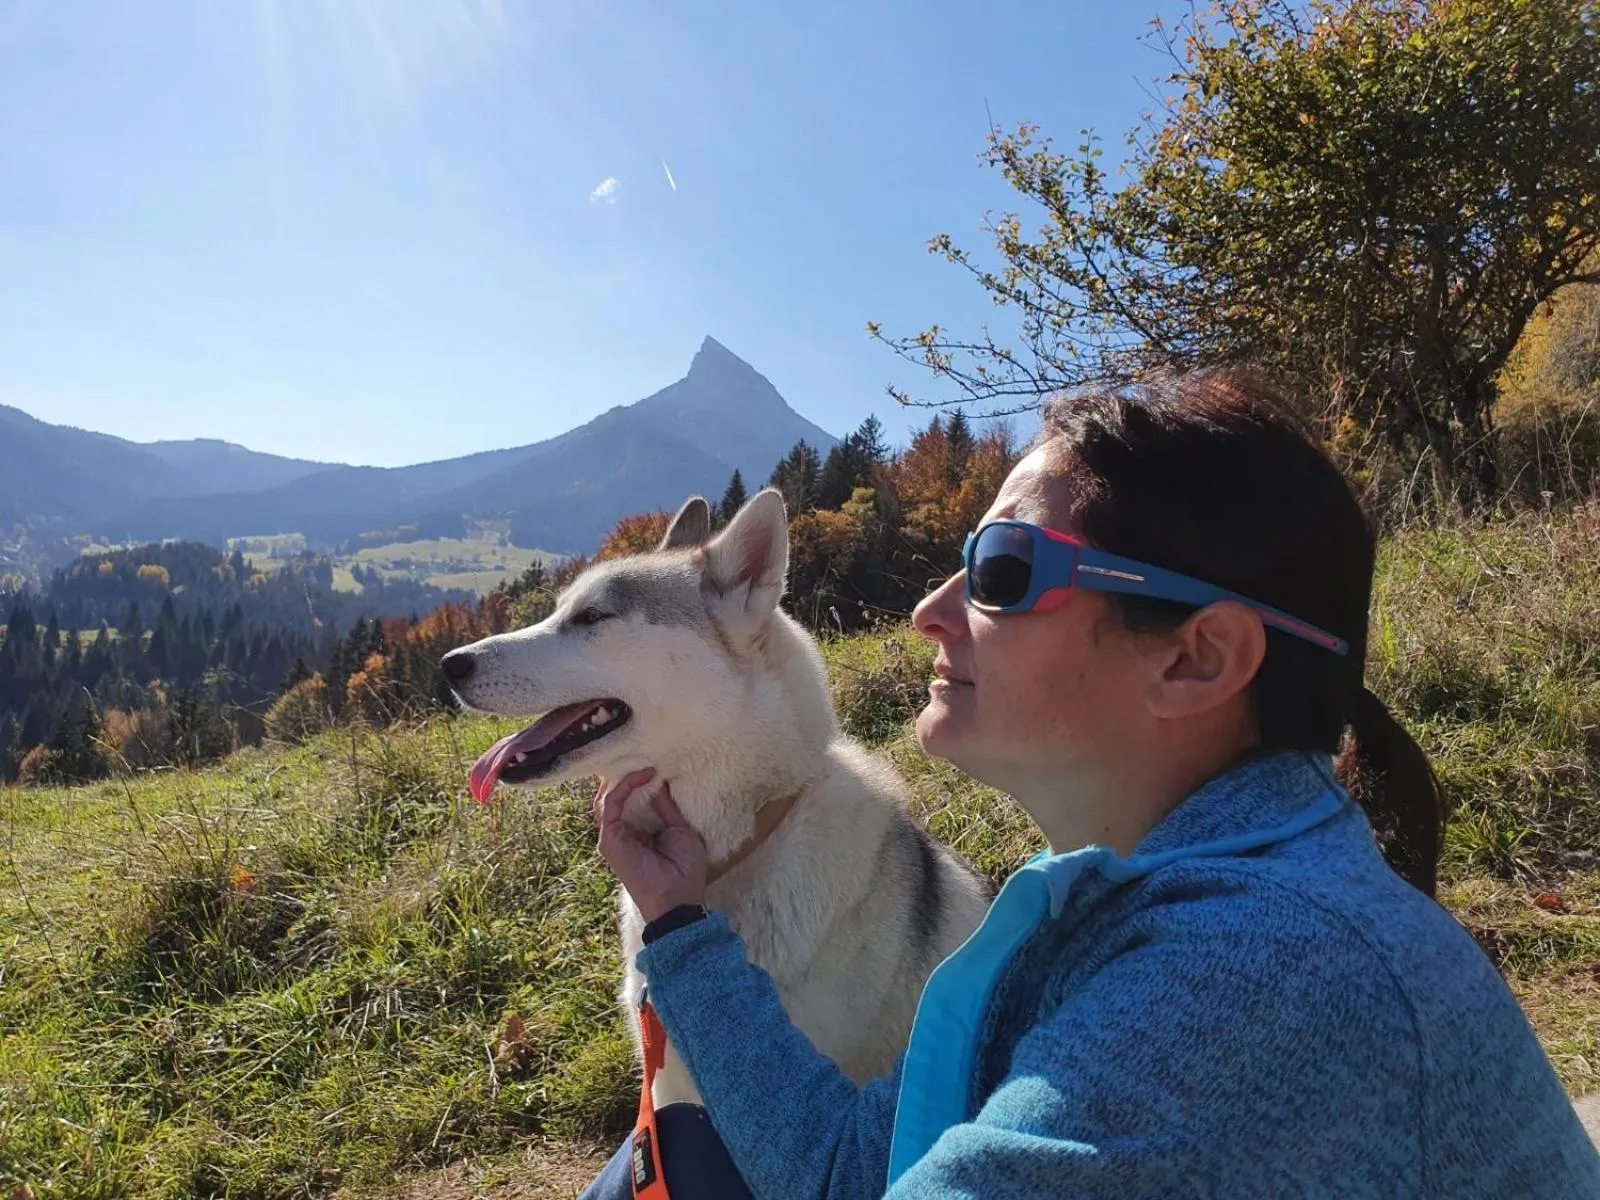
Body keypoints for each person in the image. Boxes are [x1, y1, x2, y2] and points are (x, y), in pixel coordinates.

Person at [579, 371, 1600, 1198]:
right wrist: (680, 925)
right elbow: (853, 1171)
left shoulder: (1248, 984)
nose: (931, 610)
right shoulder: (1115, 905)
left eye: (1005, 569)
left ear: (1196, 659)